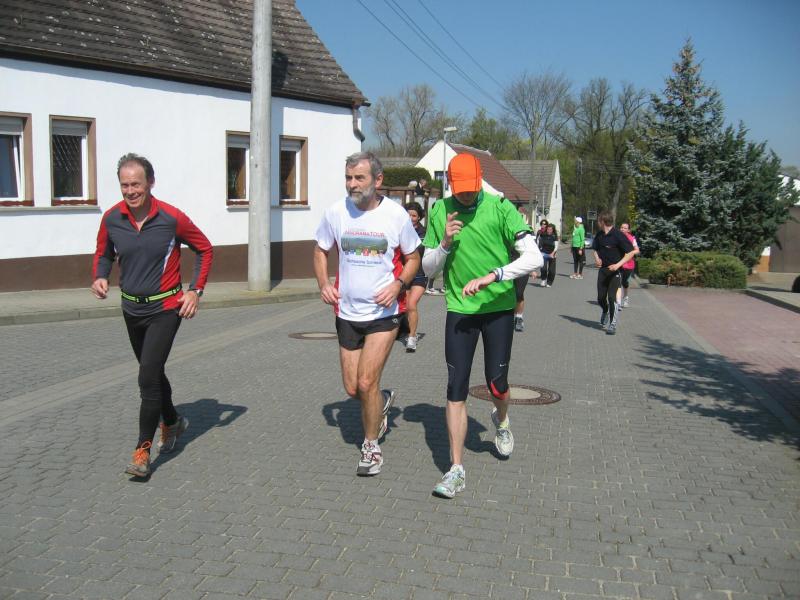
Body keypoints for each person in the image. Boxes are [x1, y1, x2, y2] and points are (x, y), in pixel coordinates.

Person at [422, 153, 543, 498]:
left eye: (471, 188)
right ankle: (456, 470)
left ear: (479, 181)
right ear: (450, 184)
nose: (466, 195)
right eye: (460, 189)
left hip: (498, 308)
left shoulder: (500, 208)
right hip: (460, 309)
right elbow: (429, 269)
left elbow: (534, 257)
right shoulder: (440, 211)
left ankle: (501, 420)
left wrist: (495, 275)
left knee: (496, 384)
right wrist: (444, 244)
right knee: (455, 386)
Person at [91, 153, 213, 478]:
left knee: (147, 377)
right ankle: (172, 422)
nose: (130, 191)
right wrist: (100, 275)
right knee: (153, 372)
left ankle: (142, 451)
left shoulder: (172, 218)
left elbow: (204, 248)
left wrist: (195, 291)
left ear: (151, 183)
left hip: (165, 308)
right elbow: (104, 252)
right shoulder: (112, 218)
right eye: (125, 185)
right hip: (131, 308)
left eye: (136, 184)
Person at [314, 152, 421, 476]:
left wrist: (398, 284)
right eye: (348, 178)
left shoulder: (395, 215)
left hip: (383, 313)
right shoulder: (336, 212)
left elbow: (414, 257)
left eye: (359, 178)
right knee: (353, 389)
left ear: (378, 180)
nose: (352, 184)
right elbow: (320, 250)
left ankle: (371, 447)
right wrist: (323, 283)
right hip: (347, 312)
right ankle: (380, 401)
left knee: (365, 380)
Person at [591, 211, 636, 335]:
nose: (598, 223)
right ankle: (605, 311)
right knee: (600, 298)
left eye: (599, 221)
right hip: (603, 270)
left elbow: (630, 253)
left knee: (612, 298)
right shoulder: (599, 234)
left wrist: (617, 265)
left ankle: (612, 324)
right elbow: (595, 249)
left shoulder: (618, 235)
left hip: (616, 271)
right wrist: (597, 258)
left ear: (603, 222)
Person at [404, 201, 427, 352]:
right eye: (408, 215)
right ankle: (408, 330)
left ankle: (412, 337)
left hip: (420, 274)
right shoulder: (399, 230)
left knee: (411, 304)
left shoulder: (425, 233)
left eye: (414, 215)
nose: (411, 218)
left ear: (419, 217)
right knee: (406, 306)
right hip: (405, 274)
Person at [619, 223, 640, 307]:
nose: (622, 229)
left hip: (628, 264)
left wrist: (630, 252)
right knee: (617, 281)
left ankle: (626, 297)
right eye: (621, 227)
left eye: (625, 228)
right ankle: (617, 301)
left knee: (624, 282)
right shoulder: (616, 237)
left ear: (628, 230)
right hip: (618, 263)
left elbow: (637, 250)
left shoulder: (631, 238)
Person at [537, 223, 559, 288]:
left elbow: (556, 246)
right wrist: (539, 249)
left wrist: (552, 253)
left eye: (550, 229)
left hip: (552, 254)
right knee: (543, 268)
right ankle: (543, 279)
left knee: (552, 271)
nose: (549, 231)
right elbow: (538, 241)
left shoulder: (554, 236)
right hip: (544, 253)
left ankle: (549, 282)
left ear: (553, 230)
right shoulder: (543, 235)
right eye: (548, 229)